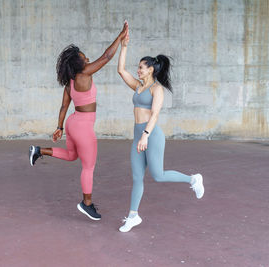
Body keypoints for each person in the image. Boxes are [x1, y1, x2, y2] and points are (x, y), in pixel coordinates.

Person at [29, 22, 129, 221]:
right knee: (88, 167)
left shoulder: (70, 82)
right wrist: (120, 36)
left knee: (72, 155)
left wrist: (59, 127)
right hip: (83, 126)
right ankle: (87, 203)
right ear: (78, 63)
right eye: (84, 57)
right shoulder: (84, 74)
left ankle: (39, 151)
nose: (87, 58)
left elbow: (64, 107)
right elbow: (107, 56)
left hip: (72, 123)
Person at [117, 27, 204, 232]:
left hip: (152, 135)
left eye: (141, 67)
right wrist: (124, 47)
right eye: (138, 67)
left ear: (151, 69)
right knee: (137, 177)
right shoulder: (138, 86)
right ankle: (133, 216)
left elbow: (155, 115)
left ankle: (193, 179)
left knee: (158, 175)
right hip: (138, 135)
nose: (137, 70)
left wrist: (145, 136)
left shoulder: (158, 89)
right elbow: (121, 70)